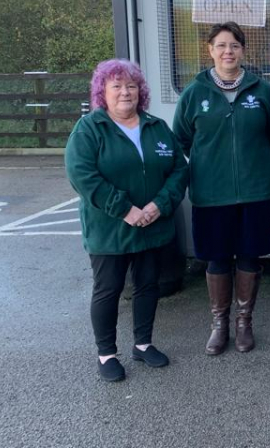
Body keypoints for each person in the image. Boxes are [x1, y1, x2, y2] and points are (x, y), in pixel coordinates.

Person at [66, 59, 188, 382]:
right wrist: (125, 209)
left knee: (148, 284)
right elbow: (82, 175)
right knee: (109, 289)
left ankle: (143, 344)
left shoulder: (156, 126)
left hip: (153, 226)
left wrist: (159, 205)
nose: (125, 92)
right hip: (110, 230)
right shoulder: (90, 129)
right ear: (102, 91)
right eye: (116, 86)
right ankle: (106, 354)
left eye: (131, 86)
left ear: (140, 91)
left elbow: (179, 169)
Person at [173, 22, 270, 356]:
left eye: (234, 45)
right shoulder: (194, 92)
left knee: (250, 256)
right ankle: (220, 325)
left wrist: (256, 161)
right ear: (210, 50)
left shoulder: (262, 90)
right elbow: (181, 138)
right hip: (210, 192)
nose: (228, 51)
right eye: (221, 45)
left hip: (256, 191)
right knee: (217, 259)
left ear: (243, 50)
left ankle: (244, 323)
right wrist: (210, 162)